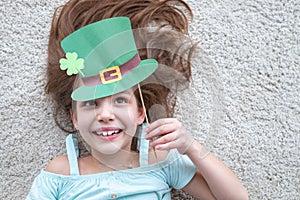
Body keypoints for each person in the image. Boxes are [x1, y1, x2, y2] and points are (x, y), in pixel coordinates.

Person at [27, 0, 248, 199]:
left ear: (140, 113)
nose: (105, 115)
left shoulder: (158, 161)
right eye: (91, 103)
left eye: (120, 100)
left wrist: (190, 146)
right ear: (74, 118)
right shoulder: (61, 173)